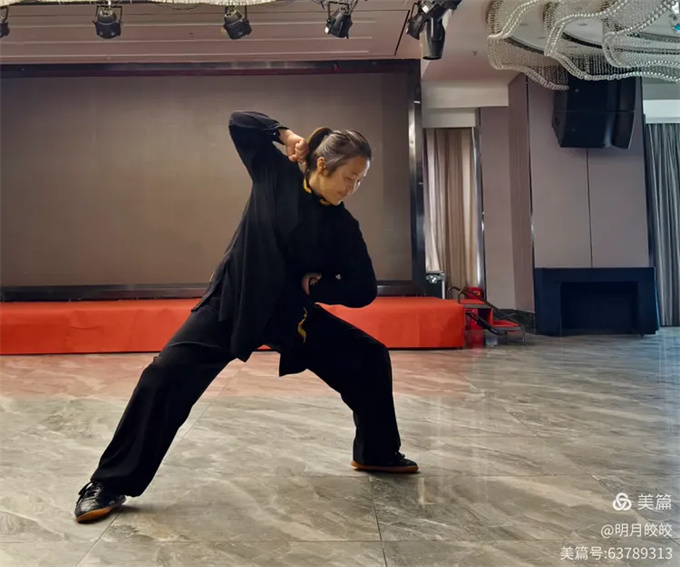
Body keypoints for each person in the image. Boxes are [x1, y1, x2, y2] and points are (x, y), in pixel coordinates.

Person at [74, 111, 418, 524]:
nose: (353, 187)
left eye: (360, 181)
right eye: (349, 177)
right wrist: (285, 135)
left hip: (292, 317)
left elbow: (364, 289)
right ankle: (108, 483)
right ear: (322, 165)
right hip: (233, 303)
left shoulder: (343, 226)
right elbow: (240, 122)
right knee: (163, 377)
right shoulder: (275, 176)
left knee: (369, 357)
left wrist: (320, 288)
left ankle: (377, 452)